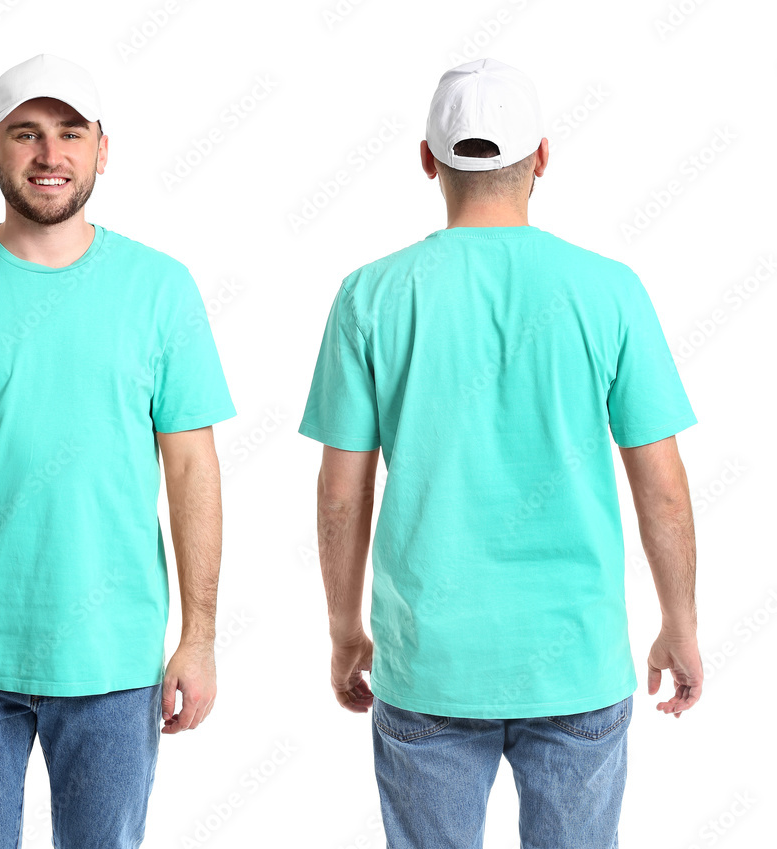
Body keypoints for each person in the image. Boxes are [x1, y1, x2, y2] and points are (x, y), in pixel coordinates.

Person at [297, 57, 702, 849]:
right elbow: (663, 489)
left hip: (429, 664)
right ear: (542, 156)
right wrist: (679, 622)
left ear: (426, 159)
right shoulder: (609, 290)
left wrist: (346, 627)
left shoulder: (370, 294)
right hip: (576, 660)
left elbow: (342, 492)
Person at [0, 53, 236, 847]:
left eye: (69, 133)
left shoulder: (160, 288)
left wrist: (198, 636)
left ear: (102, 147)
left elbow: (193, 466)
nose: (49, 155)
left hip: (115, 658)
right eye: (26, 134)